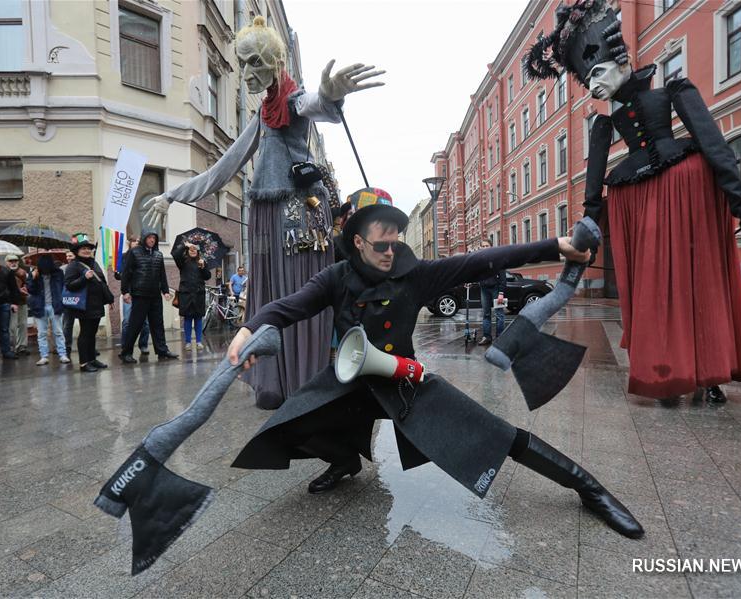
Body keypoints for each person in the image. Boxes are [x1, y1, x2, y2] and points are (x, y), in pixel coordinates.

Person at [226, 189, 644, 539]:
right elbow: (290, 307)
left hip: (402, 382)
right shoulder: (335, 277)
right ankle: (345, 460)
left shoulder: (417, 274)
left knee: (497, 434)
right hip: (351, 379)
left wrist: (554, 247)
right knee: (286, 425)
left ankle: (587, 487)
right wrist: (249, 330)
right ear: (357, 242)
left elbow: (486, 260)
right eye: (380, 245)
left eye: (395, 242)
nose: (391, 252)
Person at [524, 0, 741, 402]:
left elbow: (714, 144)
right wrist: (585, 234)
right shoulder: (604, 124)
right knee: (653, 292)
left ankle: (708, 376)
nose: (596, 86)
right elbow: (592, 187)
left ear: (621, 61)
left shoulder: (675, 91)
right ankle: (666, 372)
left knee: (698, 282)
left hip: (685, 190)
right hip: (636, 200)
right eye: (589, 81)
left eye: (599, 72)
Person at [143, 16, 383, 409]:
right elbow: (224, 168)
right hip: (267, 216)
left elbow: (314, 104)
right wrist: (172, 194)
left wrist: (330, 95)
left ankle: (306, 381)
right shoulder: (263, 115)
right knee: (270, 293)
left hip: (299, 215)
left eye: (256, 61)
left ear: (275, 62)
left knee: (301, 294)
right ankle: (275, 379)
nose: (249, 71)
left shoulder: (292, 100)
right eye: (243, 62)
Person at [119, 230, 178, 363]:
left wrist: (165, 290)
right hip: (140, 295)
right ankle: (126, 352)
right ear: (144, 238)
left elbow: (162, 275)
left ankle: (162, 350)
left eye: (154, 238)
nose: (152, 240)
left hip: (155, 295)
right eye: (150, 237)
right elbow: (126, 274)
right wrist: (125, 292)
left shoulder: (158, 255)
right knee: (135, 325)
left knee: (158, 324)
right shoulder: (134, 253)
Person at [63, 240, 113, 372]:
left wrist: (109, 298)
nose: (86, 250)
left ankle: (92, 359)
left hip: (96, 304)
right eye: (83, 248)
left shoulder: (93, 263)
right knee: (85, 333)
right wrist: (84, 278)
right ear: (77, 251)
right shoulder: (73, 266)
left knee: (92, 333)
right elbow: (69, 285)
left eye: (88, 248)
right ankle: (84, 363)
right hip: (84, 305)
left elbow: (102, 282)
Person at [27, 254, 70, 366]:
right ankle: (44, 356)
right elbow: (30, 290)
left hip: (55, 306)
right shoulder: (34, 274)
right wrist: (34, 278)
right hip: (39, 306)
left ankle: (62, 354)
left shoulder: (58, 273)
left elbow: (63, 287)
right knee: (42, 333)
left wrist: (61, 301)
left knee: (58, 332)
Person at [171, 242, 211, 351]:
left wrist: (203, 267)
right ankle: (188, 342)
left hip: (198, 294)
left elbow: (207, 277)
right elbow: (175, 254)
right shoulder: (183, 262)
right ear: (188, 251)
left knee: (198, 319)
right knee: (187, 318)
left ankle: (199, 342)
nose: (193, 251)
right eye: (191, 249)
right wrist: (185, 245)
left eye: (195, 249)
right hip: (186, 294)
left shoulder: (202, 262)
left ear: (198, 252)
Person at [115, 236, 150, 355]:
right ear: (129, 243)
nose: (136, 243)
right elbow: (119, 276)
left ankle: (143, 345)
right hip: (129, 293)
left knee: (145, 322)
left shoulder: (144, 256)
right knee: (127, 322)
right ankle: (125, 346)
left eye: (138, 242)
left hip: (142, 293)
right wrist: (117, 272)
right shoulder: (124, 257)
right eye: (134, 241)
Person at [477, 239, 506, 345]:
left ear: (491, 246)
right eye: (483, 246)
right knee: (486, 314)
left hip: (496, 289)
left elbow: (503, 277)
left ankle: (500, 338)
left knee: (499, 314)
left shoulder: (497, 258)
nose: (485, 248)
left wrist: (501, 293)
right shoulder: (479, 260)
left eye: (487, 246)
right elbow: (475, 274)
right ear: (480, 248)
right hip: (484, 289)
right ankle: (487, 337)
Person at [7, 255, 30, 355]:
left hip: (22, 301)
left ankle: (22, 347)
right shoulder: (5, 272)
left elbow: (28, 284)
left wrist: (25, 288)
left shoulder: (23, 272)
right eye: (11, 261)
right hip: (11, 302)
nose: (13, 263)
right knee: (12, 326)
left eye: (15, 261)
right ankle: (12, 348)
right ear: (7, 262)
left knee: (23, 324)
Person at [61, 250, 76, 354]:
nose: (68, 258)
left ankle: (91, 348)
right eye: (67, 256)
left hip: (80, 299)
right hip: (68, 299)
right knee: (67, 324)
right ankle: (67, 346)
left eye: (70, 256)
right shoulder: (62, 269)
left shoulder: (81, 266)